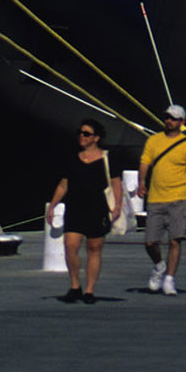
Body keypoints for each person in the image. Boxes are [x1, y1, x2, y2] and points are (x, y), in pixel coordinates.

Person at [47, 117, 122, 303]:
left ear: (96, 138)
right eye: (80, 133)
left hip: (97, 208)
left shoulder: (107, 158)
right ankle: (74, 285)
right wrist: (53, 205)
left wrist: (118, 206)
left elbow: (115, 183)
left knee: (94, 248)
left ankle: (89, 290)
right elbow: (64, 184)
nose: (81, 136)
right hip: (75, 207)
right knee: (70, 246)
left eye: (86, 134)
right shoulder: (72, 158)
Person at [138, 104, 186, 294]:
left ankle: (170, 279)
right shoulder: (154, 141)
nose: (169, 121)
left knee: (175, 240)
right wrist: (142, 181)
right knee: (150, 242)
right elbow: (145, 162)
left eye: (173, 118)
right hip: (156, 198)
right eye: (167, 117)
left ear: (181, 122)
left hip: (179, 198)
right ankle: (159, 265)